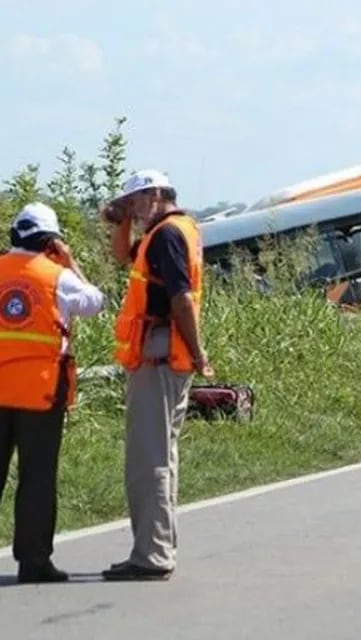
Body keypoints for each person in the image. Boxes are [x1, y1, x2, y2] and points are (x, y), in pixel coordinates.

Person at [100, 170, 213, 581]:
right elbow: (120, 256)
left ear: (156, 195)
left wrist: (199, 353)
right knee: (160, 455)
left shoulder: (167, 235)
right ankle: (156, 548)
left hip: (161, 353)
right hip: (165, 354)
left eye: (135, 202)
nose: (132, 209)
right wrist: (123, 221)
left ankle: (152, 556)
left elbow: (181, 298)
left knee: (149, 460)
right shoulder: (170, 231)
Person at [0, 203, 104, 583]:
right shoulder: (59, 276)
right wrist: (71, 262)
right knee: (37, 478)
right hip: (40, 396)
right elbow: (96, 302)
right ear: (50, 242)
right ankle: (33, 561)